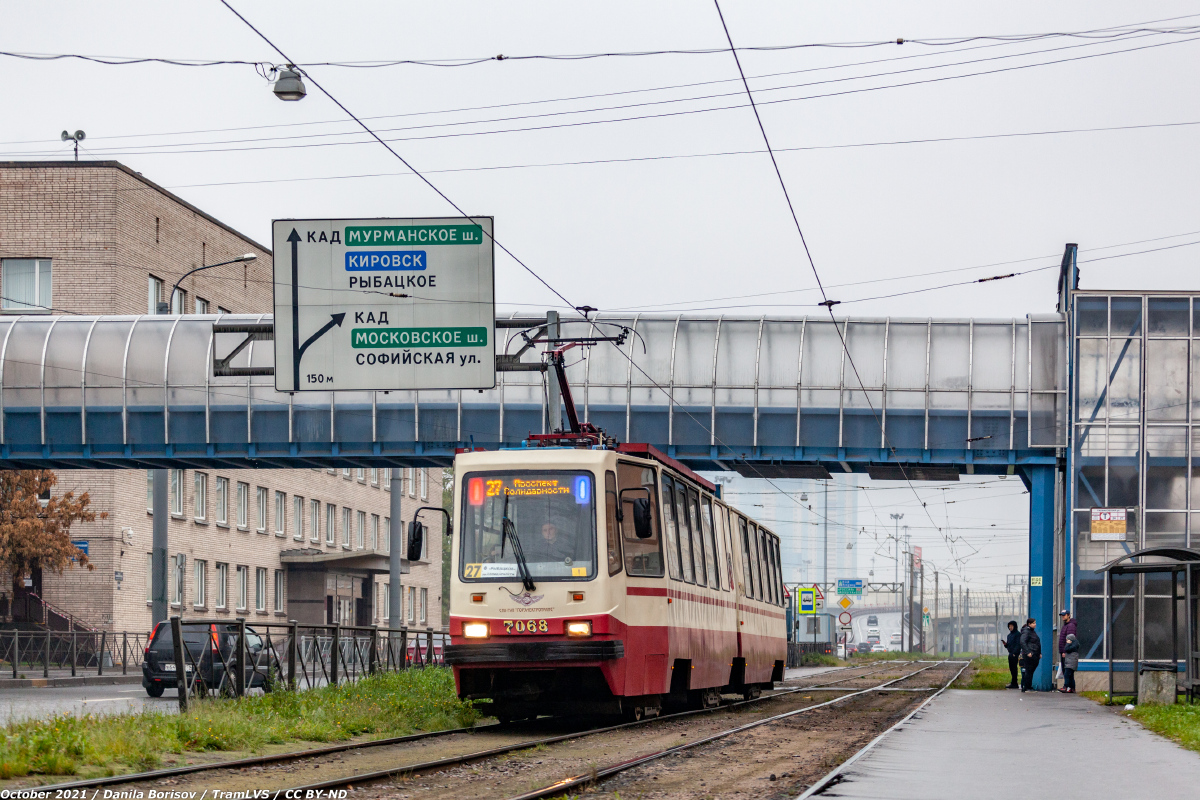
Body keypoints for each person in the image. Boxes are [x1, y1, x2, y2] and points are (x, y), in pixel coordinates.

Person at [1019, 618, 1041, 693]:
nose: (1035, 624)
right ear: (1029, 624)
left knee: (1031, 671)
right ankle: (1027, 687)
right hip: (1029, 654)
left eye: (1035, 622)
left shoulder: (1032, 632)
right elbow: (1022, 642)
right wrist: (1027, 652)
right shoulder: (1026, 632)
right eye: (1033, 623)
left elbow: (1037, 643)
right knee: (1029, 670)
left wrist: (1039, 653)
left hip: (1034, 654)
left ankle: (1028, 686)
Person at [1057, 609, 1077, 689]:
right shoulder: (1066, 625)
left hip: (1067, 652)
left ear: (1068, 615)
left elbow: (1069, 640)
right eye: (1062, 615)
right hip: (1065, 651)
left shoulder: (1070, 626)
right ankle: (1071, 688)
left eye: (1064, 615)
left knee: (1067, 672)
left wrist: (1065, 651)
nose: (1062, 617)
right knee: (1068, 672)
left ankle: (1067, 687)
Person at [1002, 620, 1021, 689]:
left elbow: (1018, 645)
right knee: (1011, 668)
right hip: (1010, 653)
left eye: (1011, 626)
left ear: (1015, 626)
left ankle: (1015, 683)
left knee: (1014, 668)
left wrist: (1015, 653)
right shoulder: (1009, 635)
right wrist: (1005, 645)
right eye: (1009, 626)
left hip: (1015, 654)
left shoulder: (1018, 634)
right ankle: (1013, 682)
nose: (1010, 627)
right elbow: (1009, 645)